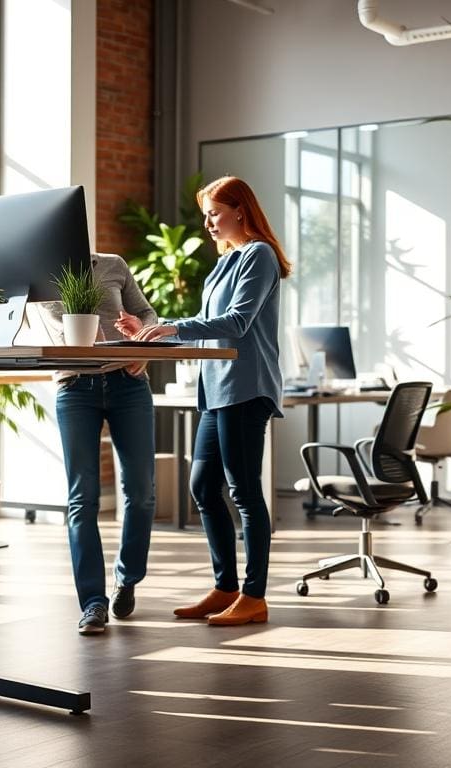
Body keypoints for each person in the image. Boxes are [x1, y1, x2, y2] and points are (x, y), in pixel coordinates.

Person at [116, 176, 291, 626]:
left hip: (246, 388)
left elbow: (234, 323)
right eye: (206, 215)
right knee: (202, 487)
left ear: (240, 210)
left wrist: (170, 327)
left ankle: (254, 596)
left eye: (214, 212)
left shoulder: (259, 255)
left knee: (245, 493)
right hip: (217, 390)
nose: (208, 223)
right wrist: (150, 334)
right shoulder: (224, 263)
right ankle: (226, 586)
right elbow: (204, 327)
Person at [50, 253, 158, 634]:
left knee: (142, 492)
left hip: (128, 384)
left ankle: (127, 579)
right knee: (83, 498)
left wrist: (141, 343)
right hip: (75, 387)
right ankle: (93, 602)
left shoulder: (111, 265)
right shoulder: (40, 272)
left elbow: (147, 314)